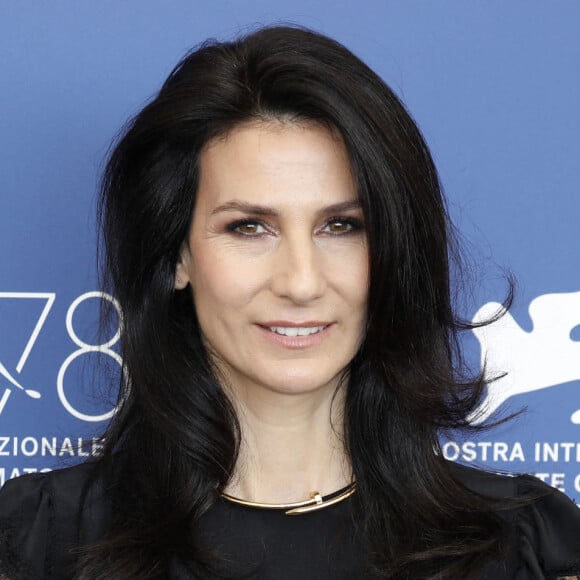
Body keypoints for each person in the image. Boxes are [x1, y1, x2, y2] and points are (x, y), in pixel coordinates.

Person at [0, 25, 579, 580]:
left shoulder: (525, 545)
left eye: (342, 226)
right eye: (250, 227)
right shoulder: (43, 540)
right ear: (177, 255)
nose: (301, 282)